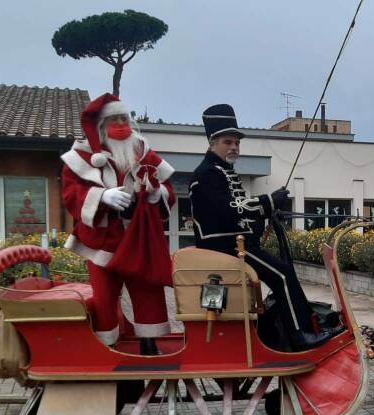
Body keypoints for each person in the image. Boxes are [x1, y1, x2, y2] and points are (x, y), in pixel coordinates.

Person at [190, 103, 341, 351]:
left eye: (237, 143)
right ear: (212, 142)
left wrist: (266, 214)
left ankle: (308, 325)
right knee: (281, 276)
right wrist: (268, 202)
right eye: (228, 142)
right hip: (224, 247)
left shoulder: (220, 170)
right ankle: (299, 337)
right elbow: (230, 209)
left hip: (237, 243)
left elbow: (237, 213)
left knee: (285, 270)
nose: (234, 147)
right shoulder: (207, 173)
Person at [61, 93, 175, 354]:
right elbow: (70, 194)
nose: (122, 124)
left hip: (138, 237)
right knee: (103, 297)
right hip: (102, 240)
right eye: (114, 120)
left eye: (125, 118)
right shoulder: (82, 155)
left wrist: (160, 195)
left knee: (148, 291)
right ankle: (107, 347)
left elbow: (167, 187)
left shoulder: (143, 150)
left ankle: (149, 343)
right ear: (101, 126)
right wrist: (102, 196)